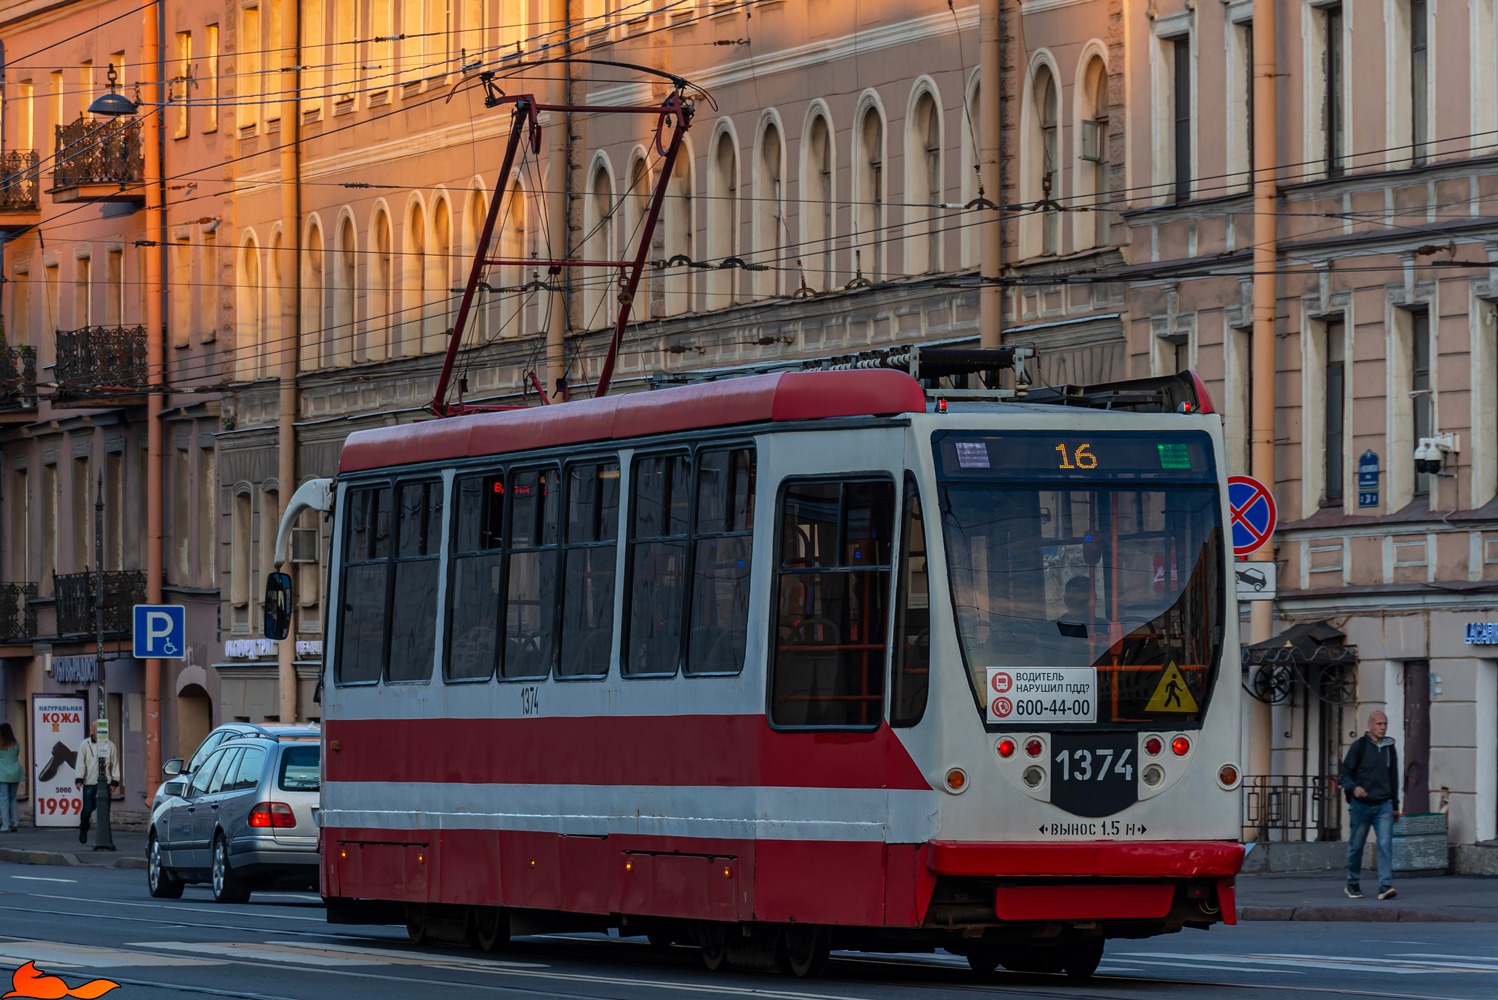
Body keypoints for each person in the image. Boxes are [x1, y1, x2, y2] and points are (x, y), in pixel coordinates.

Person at [1339, 710, 1400, 901]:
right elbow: (1344, 774)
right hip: (1361, 805)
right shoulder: (1359, 747)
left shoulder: (1389, 747)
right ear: (1370, 725)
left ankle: (1385, 886)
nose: (1383, 728)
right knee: (1357, 846)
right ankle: (1352, 884)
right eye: (1379, 724)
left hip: (1384, 804)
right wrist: (1354, 788)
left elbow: (1393, 778)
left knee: (1385, 844)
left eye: (1385, 724)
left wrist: (1395, 805)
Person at [74, 720, 120, 846]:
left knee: (103, 812)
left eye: (102, 730)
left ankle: (103, 838)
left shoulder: (110, 745)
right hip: (89, 782)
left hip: (105, 782)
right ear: (92, 731)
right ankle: (83, 828)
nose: (100, 732)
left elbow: (114, 764)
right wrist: (79, 778)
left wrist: (115, 781)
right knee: (87, 809)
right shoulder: (85, 744)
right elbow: (81, 762)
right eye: (97, 730)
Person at [0, 723, 21, 832]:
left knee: (4, 799)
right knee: (12, 798)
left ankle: (5, 825)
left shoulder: (1, 744)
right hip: (16, 773)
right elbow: (16, 755)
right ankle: (15, 823)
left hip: (3, 774)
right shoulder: (17, 743)